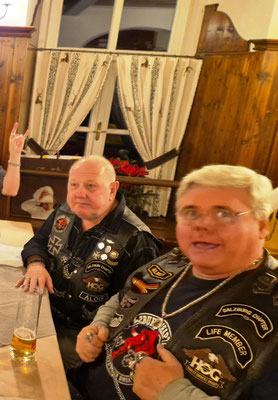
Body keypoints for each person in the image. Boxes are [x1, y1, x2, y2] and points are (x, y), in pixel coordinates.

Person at [75, 164, 278, 400]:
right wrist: (97, 326)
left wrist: (172, 393)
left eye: (224, 213)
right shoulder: (173, 261)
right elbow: (123, 298)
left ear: (261, 224)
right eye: (190, 212)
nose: (201, 224)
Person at [19, 155, 161, 369]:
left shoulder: (137, 239)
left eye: (91, 186)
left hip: (85, 338)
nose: (80, 193)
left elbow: (136, 307)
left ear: (112, 189)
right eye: (74, 185)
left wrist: (97, 333)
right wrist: (36, 264)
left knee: (20, 363)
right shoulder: (66, 210)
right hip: (46, 313)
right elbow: (36, 242)